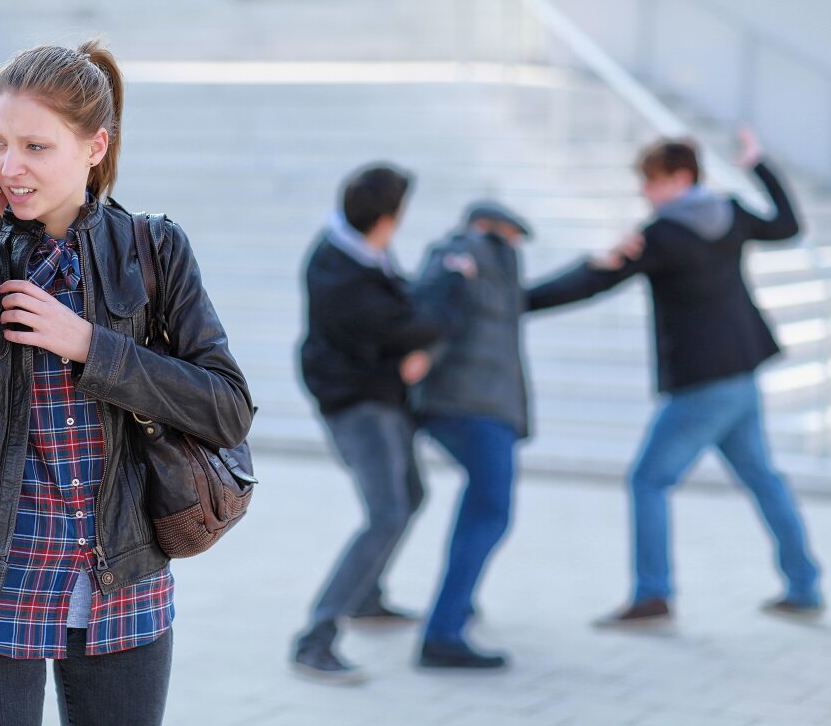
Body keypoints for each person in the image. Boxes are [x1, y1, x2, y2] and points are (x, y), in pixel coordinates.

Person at [0, 40, 253, 725]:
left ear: (94, 146)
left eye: (35, 146)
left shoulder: (154, 248)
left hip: (122, 590)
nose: (10, 166)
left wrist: (92, 346)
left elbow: (228, 409)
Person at [527, 129, 823, 627]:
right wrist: (759, 165)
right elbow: (788, 227)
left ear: (681, 178)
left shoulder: (661, 236)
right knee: (764, 479)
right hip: (742, 371)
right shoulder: (729, 214)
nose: (645, 191)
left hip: (704, 382)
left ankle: (653, 593)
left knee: (649, 480)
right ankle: (804, 584)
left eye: (652, 181)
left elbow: (595, 282)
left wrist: (517, 301)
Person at [294, 164, 474, 684]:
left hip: (381, 396)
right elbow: (417, 324)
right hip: (359, 405)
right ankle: (316, 637)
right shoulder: (345, 273)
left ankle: (367, 597)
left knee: (411, 495)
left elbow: (403, 315)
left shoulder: (354, 250)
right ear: (387, 218)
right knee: (387, 513)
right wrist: (456, 281)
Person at [409, 201, 534, 669]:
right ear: (487, 227)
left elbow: (534, 299)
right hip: (470, 404)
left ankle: (456, 604)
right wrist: (425, 354)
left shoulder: (497, 268)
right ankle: (443, 631)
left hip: (480, 403)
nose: (516, 245)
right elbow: (436, 300)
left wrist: (597, 269)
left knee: (481, 509)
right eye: (510, 234)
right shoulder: (465, 250)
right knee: (491, 509)